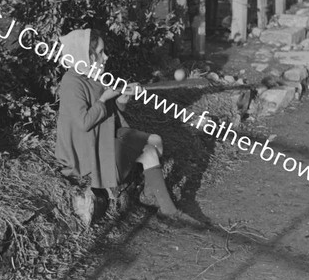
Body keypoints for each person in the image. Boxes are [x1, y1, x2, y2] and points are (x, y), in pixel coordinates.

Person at [55, 28, 201, 227]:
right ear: (86, 56)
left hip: (102, 137)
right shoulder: (71, 82)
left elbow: (109, 113)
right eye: (100, 52)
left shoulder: (92, 75)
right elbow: (84, 122)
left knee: (155, 142)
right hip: (86, 152)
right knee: (149, 152)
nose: (106, 57)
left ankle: (156, 199)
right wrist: (105, 97)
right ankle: (163, 206)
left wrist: (123, 99)